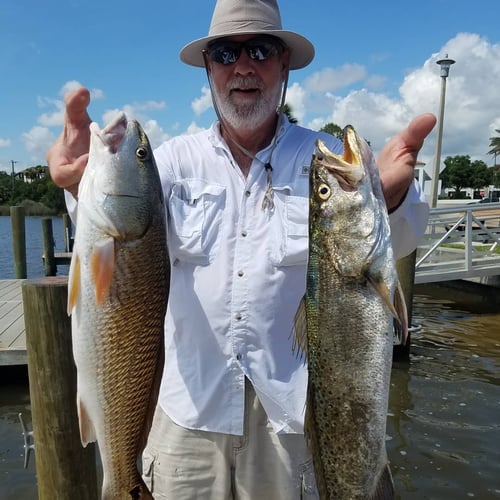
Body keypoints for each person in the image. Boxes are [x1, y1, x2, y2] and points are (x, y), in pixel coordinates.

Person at [47, 1, 436, 498]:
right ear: (209, 68)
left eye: (260, 50)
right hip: (185, 410)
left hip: (291, 417)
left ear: (284, 65)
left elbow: (392, 246)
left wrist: (392, 197)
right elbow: (113, 243)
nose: (243, 66)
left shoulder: (328, 161)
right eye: (227, 53)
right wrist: (83, 185)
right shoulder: (168, 162)